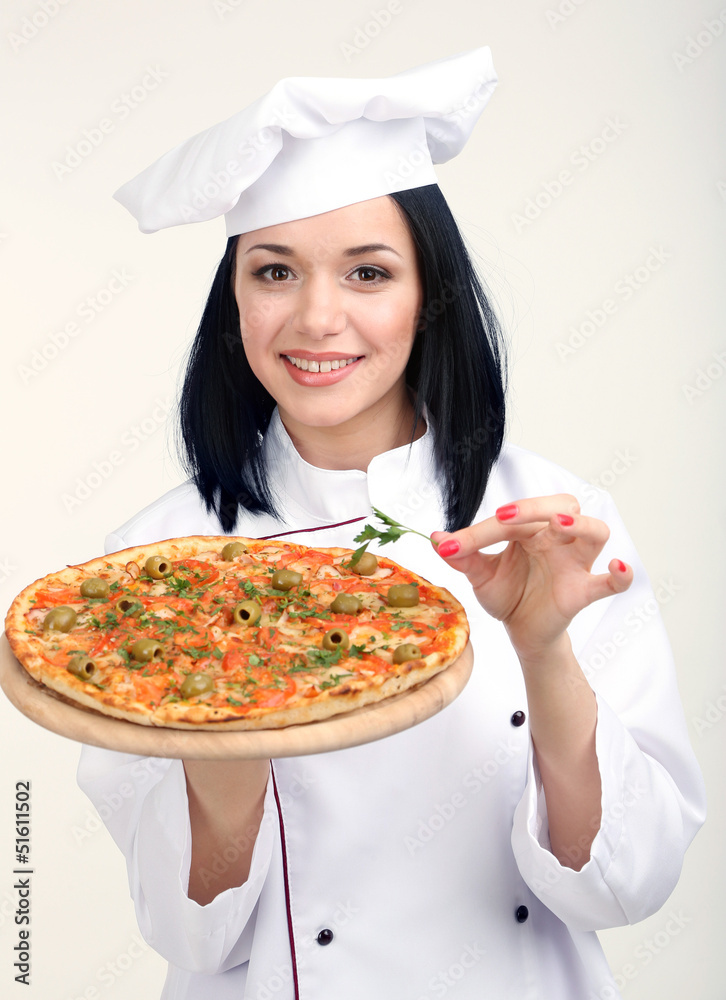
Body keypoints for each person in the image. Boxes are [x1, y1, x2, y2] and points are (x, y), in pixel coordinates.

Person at [76, 47, 706, 1000]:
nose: (317, 318)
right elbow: (190, 934)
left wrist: (542, 650)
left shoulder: (557, 525)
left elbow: (627, 886)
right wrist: (233, 717)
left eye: (368, 273)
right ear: (233, 300)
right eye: (274, 271)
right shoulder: (155, 570)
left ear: (430, 297)